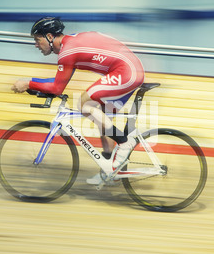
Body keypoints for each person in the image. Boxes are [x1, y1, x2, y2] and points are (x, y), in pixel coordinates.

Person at [12, 17, 144, 183]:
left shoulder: (68, 52)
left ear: (50, 37)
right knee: (103, 119)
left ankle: (125, 143)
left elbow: (57, 88)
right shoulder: (70, 45)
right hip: (130, 69)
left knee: (84, 104)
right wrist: (30, 84)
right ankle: (111, 167)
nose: (36, 45)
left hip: (126, 71)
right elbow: (58, 82)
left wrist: (27, 83)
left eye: (37, 40)